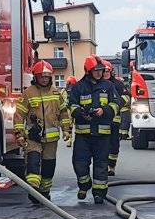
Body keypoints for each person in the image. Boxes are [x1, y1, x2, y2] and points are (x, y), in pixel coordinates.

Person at [14, 61, 72, 203]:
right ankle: (33, 191)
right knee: (33, 164)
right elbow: (19, 115)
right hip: (33, 138)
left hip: (51, 140)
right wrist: (19, 134)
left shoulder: (56, 92)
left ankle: (44, 191)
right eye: (42, 76)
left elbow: (64, 113)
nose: (44, 79)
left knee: (48, 167)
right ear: (36, 77)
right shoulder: (28, 93)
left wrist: (67, 131)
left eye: (47, 76)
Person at [68, 55, 119, 204]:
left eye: (101, 70)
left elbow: (116, 103)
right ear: (88, 71)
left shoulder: (109, 86)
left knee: (101, 164)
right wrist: (81, 113)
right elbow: (71, 105)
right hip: (83, 134)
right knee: (79, 163)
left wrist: (105, 111)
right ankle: (84, 185)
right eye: (96, 70)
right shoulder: (78, 87)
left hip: (102, 134)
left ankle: (99, 193)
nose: (99, 73)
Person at [102, 60, 130, 175]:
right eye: (103, 71)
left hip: (114, 120)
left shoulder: (118, 85)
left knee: (114, 144)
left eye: (107, 71)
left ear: (111, 71)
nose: (105, 73)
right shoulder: (96, 84)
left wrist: (116, 104)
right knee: (102, 144)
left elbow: (127, 98)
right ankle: (103, 166)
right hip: (101, 119)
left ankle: (111, 166)